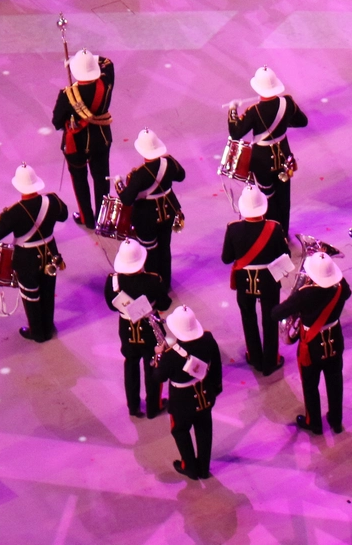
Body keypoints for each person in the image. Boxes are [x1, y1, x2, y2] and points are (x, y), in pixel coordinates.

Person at [0, 164, 70, 342]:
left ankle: (37, 333)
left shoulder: (14, 212)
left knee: (31, 295)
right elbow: (64, 215)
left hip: (26, 258)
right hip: (50, 253)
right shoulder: (52, 200)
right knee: (47, 290)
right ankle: (48, 325)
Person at [273, 251, 351, 435]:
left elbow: (276, 313)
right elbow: (347, 293)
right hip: (334, 340)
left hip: (312, 346)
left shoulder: (304, 294)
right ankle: (336, 420)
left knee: (310, 385)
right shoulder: (340, 286)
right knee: (335, 382)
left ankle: (314, 422)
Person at [228, 66, 309, 234]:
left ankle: (272, 236)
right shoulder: (288, 103)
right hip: (284, 157)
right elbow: (302, 122)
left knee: (268, 200)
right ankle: (283, 234)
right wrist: (282, 124)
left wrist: (232, 110)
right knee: (284, 199)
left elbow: (235, 133)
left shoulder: (254, 111)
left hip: (262, 162)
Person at [222, 184, 288, 374]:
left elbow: (226, 258)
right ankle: (270, 360)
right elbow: (284, 254)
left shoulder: (233, 229)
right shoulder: (274, 228)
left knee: (248, 317)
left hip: (244, 280)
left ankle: (254, 356)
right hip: (268, 280)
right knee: (270, 319)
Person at [104, 239, 171, 417]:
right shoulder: (153, 280)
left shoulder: (113, 282)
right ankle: (153, 407)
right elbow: (164, 304)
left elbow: (111, 306)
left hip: (127, 328)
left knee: (130, 365)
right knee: (152, 366)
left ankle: (133, 406)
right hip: (150, 330)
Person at [157, 305, 223, 478]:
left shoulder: (170, 355)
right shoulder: (208, 339)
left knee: (180, 431)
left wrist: (158, 356)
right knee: (204, 429)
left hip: (181, 401)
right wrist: (216, 388)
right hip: (205, 394)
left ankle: (190, 467)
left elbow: (158, 377)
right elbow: (216, 365)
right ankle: (203, 468)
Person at [52, 50, 115, 229]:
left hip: (78, 144)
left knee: (80, 181)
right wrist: (93, 59)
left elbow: (56, 122)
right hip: (102, 138)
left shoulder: (68, 94)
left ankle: (87, 218)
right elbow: (108, 63)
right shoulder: (106, 82)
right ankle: (103, 219)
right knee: (101, 179)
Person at [119, 129, 185, 288]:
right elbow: (181, 176)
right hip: (168, 212)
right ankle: (166, 283)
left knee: (150, 252)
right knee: (165, 248)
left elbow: (127, 199)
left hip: (146, 218)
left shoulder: (140, 174)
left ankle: (154, 287)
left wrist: (119, 186)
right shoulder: (169, 162)